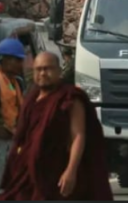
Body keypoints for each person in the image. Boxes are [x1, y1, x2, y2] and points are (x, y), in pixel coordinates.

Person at [0, 52, 112, 201]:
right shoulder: (32, 99)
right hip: (31, 173)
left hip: (58, 171)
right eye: (38, 69)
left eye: (48, 68)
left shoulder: (70, 97)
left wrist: (71, 171)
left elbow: (78, 135)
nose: (43, 73)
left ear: (59, 71)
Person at [0, 40, 25, 179]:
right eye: (18, 60)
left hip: (10, 137)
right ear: (6, 59)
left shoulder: (14, 82)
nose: (21, 64)